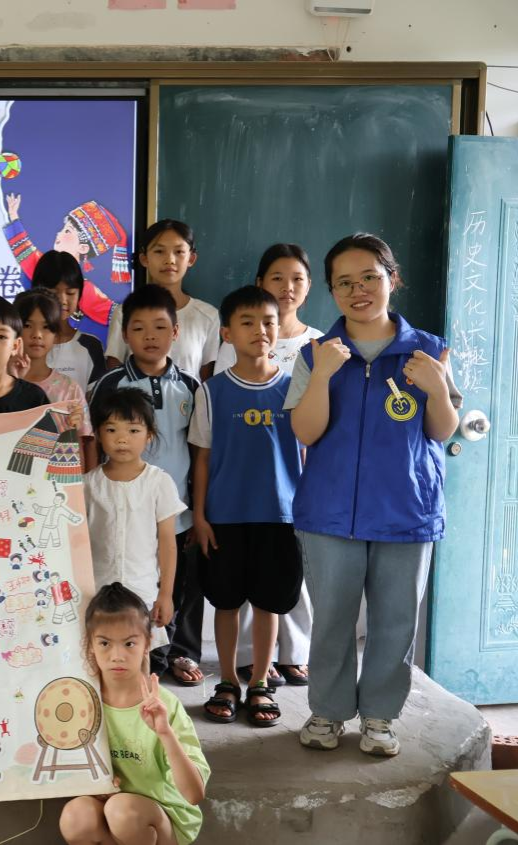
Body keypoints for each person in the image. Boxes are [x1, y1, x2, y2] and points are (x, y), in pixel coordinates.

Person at [289, 233, 459, 756]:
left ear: (392, 279)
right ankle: (327, 711)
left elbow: (441, 430)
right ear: (332, 291)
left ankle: (381, 717)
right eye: (344, 282)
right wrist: (323, 376)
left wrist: (436, 387)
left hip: (407, 510)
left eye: (370, 277)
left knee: (395, 622)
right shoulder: (316, 353)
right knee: (332, 619)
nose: (358, 290)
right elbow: (306, 432)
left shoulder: (429, 350)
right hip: (329, 511)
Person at [190, 286, 304, 728]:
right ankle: (227, 681)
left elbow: (305, 453)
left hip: (280, 515)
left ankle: (259, 681)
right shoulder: (212, 391)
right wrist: (200, 516)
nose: (260, 330)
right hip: (225, 516)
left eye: (269, 322)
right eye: (248, 322)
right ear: (227, 334)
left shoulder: (295, 389)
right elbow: (202, 458)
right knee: (226, 602)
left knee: (268, 603)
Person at [217, 245, 323, 690]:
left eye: (297, 278)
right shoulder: (233, 350)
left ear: (309, 287)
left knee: (286, 582)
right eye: (277, 277)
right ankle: (247, 662)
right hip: (240, 490)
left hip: (289, 487)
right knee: (242, 586)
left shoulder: (319, 345)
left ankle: (293, 655)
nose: (288, 287)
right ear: (261, 282)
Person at [90, 284, 204, 688]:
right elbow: (92, 441)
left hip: (174, 506)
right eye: (138, 328)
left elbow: (199, 449)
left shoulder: (191, 385)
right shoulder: (109, 384)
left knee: (176, 585)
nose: (150, 336)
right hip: (121, 504)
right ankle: (135, 659)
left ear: (176, 332)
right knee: (126, 582)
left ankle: (179, 652)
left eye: (160, 327)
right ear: (125, 335)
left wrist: (199, 510)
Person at [58, 584, 208, 845]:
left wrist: (164, 732)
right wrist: (94, 786)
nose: (117, 656)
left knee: (122, 811)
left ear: (147, 643)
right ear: (90, 644)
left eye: (129, 643)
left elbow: (194, 794)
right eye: (105, 643)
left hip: (163, 816)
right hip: (110, 812)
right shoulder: (81, 702)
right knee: (75, 816)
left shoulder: (164, 705)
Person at [83, 387, 185, 666]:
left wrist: (166, 594)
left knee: (140, 662)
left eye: (133, 430)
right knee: (99, 660)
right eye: (111, 430)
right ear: (98, 435)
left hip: (143, 593)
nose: (122, 439)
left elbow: (168, 544)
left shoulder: (158, 482)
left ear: (149, 435)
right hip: (97, 593)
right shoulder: (88, 484)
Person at [106, 220, 220, 383]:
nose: (170, 260)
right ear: (144, 259)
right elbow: (114, 369)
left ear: (191, 258)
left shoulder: (208, 316)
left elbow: (206, 379)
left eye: (179, 251)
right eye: (159, 251)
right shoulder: (125, 312)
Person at [4, 193, 133, 326]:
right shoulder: (44, 268)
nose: (58, 233)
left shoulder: (86, 290)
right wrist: (13, 216)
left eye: (67, 231)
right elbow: (25, 250)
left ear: (83, 248)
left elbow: (117, 316)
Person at [13, 289, 96, 469]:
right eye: (27, 325)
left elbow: (84, 441)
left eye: (46, 327)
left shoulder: (69, 388)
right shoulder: (3, 383)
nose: (37, 334)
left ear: (56, 334)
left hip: (57, 480)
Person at [28, 251, 108, 387]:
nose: (63, 300)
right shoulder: (22, 343)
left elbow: (95, 397)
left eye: (70, 293)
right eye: (53, 293)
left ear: (79, 295)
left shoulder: (90, 346)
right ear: (37, 292)